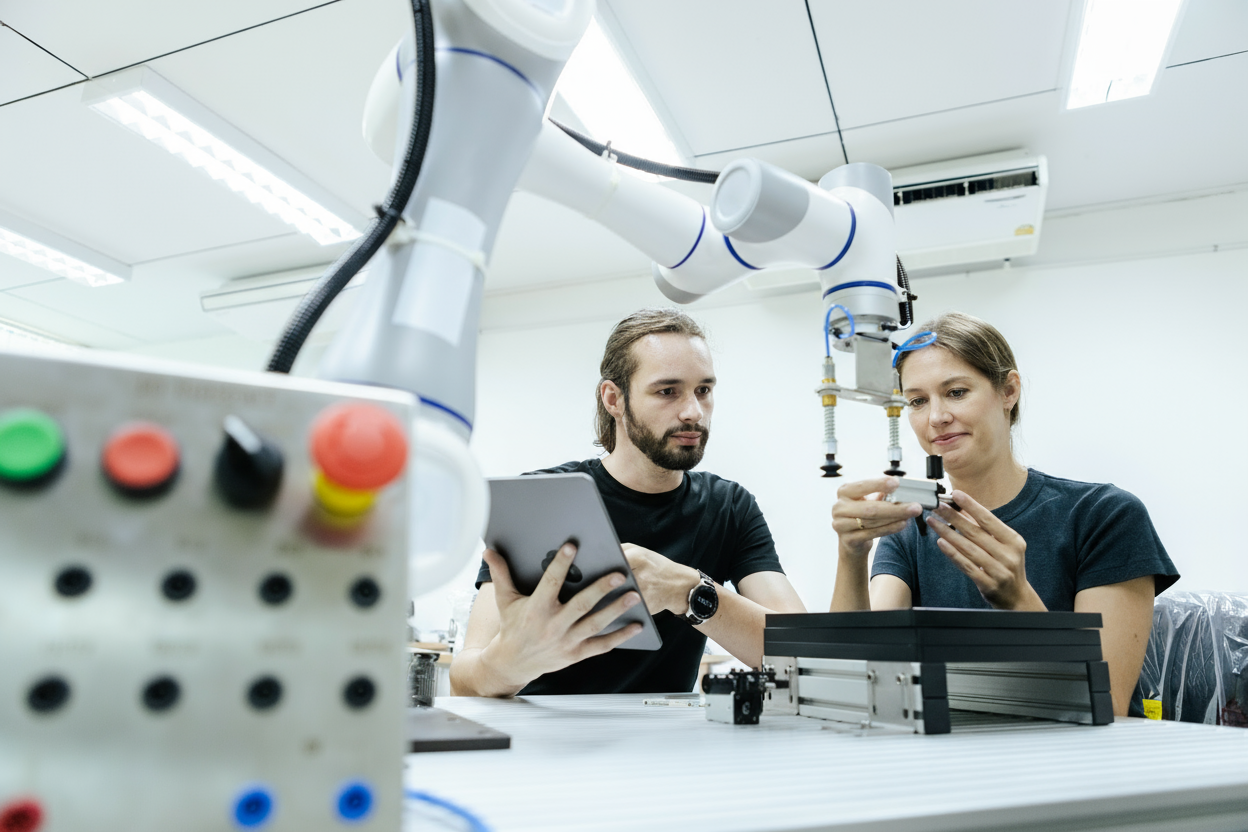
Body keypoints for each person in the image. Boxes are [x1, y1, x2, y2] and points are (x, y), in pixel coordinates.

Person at [829, 312, 1178, 716]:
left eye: (956, 392)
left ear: (1008, 390)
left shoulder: (1103, 516)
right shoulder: (911, 528)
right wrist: (850, 554)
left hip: (1076, 762)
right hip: (959, 753)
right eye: (917, 401)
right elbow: (857, 678)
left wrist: (1017, 600)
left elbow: (1106, 704)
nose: (935, 417)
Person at [450, 308, 806, 697]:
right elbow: (465, 682)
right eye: (667, 391)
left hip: (663, 745)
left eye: (703, 390)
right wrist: (505, 665)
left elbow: (807, 657)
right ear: (614, 398)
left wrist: (687, 589)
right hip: (545, 742)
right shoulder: (540, 500)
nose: (693, 412)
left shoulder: (728, 507)